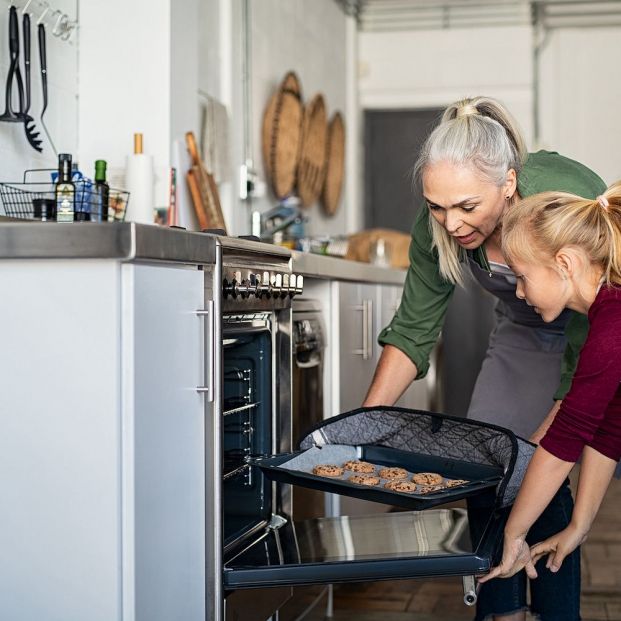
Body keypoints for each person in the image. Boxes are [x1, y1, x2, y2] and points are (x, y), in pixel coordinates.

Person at [362, 95, 606, 621]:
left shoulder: (561, 200)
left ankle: (558, 613)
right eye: (437, 206)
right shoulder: (441, 225)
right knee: (486, 459)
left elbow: (586, 408)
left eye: (468, 207)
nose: (450, 224)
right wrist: (364, 425)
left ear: (510, 184)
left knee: (543, 463)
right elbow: (412, 329)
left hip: (590, 322)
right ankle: (501, 612)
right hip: (524, 328)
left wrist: (546, 448)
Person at [480, 183, 621, 585]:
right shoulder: (607, 313)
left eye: (522, 277)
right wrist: (580, 525)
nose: (519, 293)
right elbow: (609, 428)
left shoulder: (613, 325)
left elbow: (564, 442)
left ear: (565, 263)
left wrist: (514, 534)